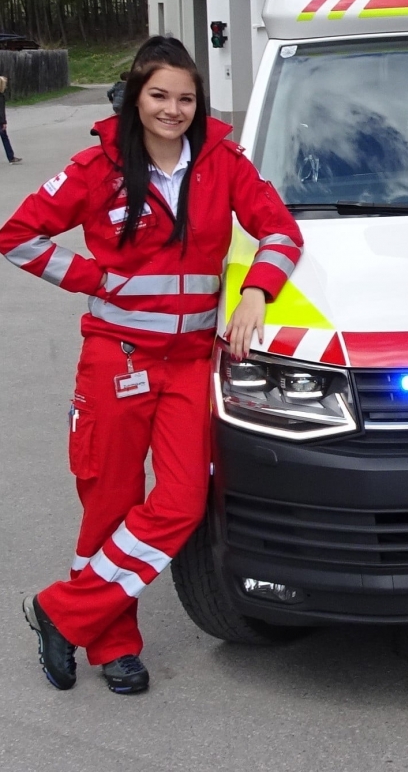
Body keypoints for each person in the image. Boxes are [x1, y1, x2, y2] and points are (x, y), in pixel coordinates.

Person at [0, 36, 303, 693]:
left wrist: (257, 291)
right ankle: (113, 644)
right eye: (159, 95)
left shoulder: (223, 161)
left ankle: (62, 610)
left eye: (186, 97)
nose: (173, 109)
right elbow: (18, 236)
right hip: (117, 359)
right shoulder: (97, 166)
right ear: (136, 97)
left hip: (191, 362)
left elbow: (281, 230)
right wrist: (91, 277)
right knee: (108, 501)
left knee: (182, 500)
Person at [0, 75, 22, 163]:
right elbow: (1, 111)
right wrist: (3, 122)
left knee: (4, 137)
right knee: (4, 138)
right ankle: (11, 157)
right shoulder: (1, 97)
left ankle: (11, 157)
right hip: (0, 121)